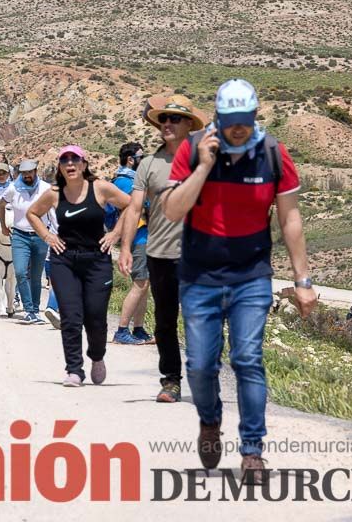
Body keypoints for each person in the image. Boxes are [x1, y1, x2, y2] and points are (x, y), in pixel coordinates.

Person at [164, 79, 316, 483]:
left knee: (247, 359)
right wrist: (203, 166)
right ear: (217, 117)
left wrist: (303, 279)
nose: (237, 129)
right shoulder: (193, 148)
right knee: (199, 365)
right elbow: (173, 210)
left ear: (254, 116)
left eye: (243, 121)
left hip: (251, 274)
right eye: (229, 121)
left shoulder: (273, 154)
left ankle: (252, 451)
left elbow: (290, 219)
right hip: (200, 275)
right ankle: (210, 422)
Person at [120, 94, 206, 404]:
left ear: (188, 125)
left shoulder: (202, 161)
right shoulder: (149, 164)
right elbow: (133, 208)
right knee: (165, 320)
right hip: (159, 253)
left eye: (174, 119)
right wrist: (126, 246)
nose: (167, 124)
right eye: (163, 119)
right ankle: (171, 380)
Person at [27, 146, 132, 387]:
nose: (70, 163)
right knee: (71, 317)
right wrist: (47, 236)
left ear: (84, 164)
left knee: (95, 316)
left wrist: (115, 233)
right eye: (65, 160)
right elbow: (33, 213)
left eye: (75, 159)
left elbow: (129, 205)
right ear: (60, 168)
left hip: (97, 259)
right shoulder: (54, 193)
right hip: (64, 260)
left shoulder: (101, 188)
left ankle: (97, 356)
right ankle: (74, 370)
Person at [0, 158, 57, 325]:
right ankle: (27, 309)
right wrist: (3, 226)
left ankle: (34, 310)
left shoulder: (46, 189)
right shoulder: (13, 188)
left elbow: (53, 211)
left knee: (36, 275)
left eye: (29, 172)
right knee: (20, 271)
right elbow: (2, 204)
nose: (27, 176)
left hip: (40, 235)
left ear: (35, 171)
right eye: (24, 173)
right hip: (20, 235)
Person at [109, 142, 152, 345]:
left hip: (144, 236)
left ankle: (139, 328)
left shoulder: (130, 180)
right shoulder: (126, 182)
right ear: (131, 160)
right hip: (138, 238)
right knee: (140, 283)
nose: (143, 160)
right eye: (141, 157)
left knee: (144, 284)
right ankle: (122, 330)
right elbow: (141, 206)